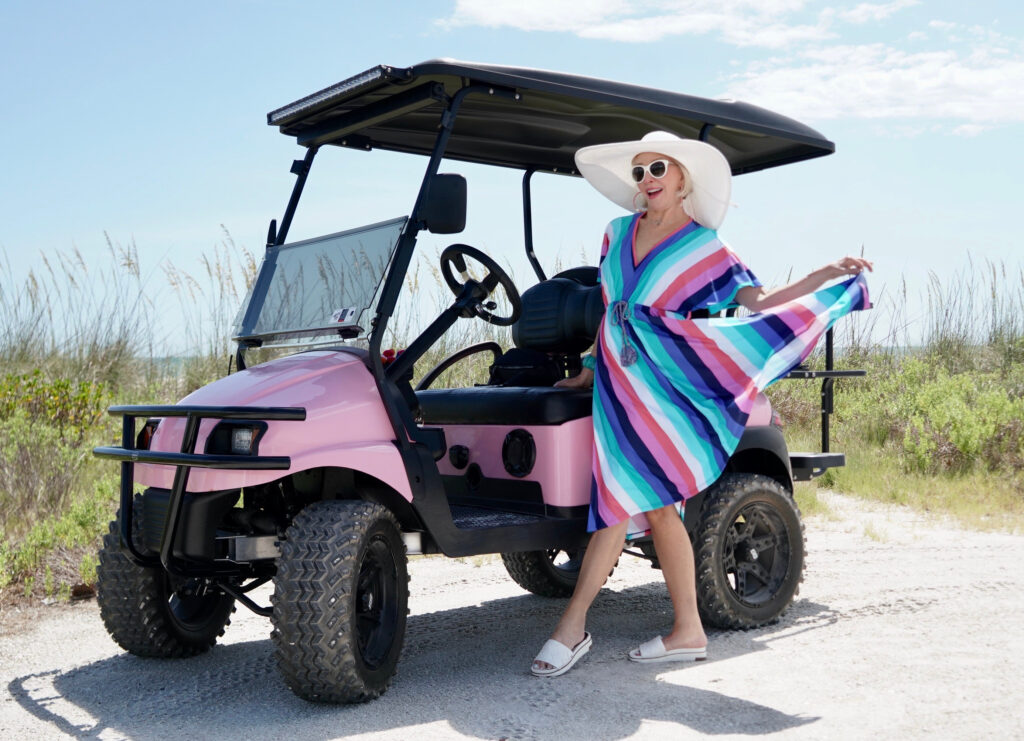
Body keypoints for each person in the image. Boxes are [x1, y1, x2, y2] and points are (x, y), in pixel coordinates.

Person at [530, 131, 872, 677]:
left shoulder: (705, 247)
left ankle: (573, 628)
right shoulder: (616, 234)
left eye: (658, 168)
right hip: (620, 385)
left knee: (626, 501)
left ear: (683, 177)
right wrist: (590, 369)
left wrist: (826, 273)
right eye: (639, 172)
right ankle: (686, 631)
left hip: (668, 383)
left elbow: (758, 300)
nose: (647, 181)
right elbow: (611, 309)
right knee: (653, 504)